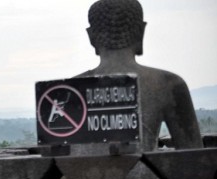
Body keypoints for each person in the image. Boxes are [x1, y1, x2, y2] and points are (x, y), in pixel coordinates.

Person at [76, 0, 203, 153]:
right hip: (147, 175)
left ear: (91, 37)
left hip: (84, 176)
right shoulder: (168, 84)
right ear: (140, 31)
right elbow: (195, 157)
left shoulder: (69, 90)